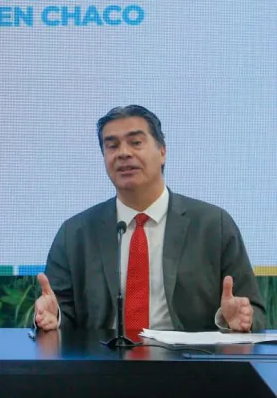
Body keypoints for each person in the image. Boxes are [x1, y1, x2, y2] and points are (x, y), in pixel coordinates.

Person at [35, 105, 265, 332]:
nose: (123, 153)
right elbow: (58, 310)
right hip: (103, 355)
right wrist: (54, 317)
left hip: (189, 356)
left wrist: (238, 319)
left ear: (162, 151)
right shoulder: (75, 233)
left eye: (136, 142)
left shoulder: (213, 225)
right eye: (112, 146)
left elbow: (253, 311)